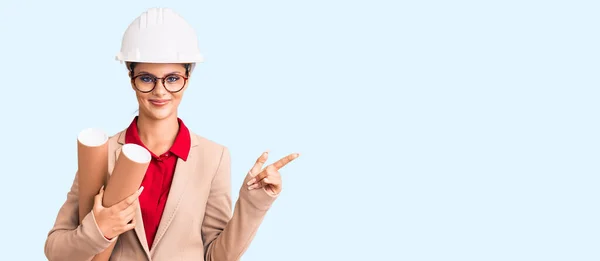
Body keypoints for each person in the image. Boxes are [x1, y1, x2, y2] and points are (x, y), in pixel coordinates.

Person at [44, 7, 299, 261]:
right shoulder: (102, 153)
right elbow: (55, 251)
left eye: (173, 78)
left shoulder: (214, 157)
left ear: (188, 78)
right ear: (131, 77)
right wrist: (98, 231)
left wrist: (253, 202)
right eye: (146, 78)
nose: (160, 91)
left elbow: (216, 256)